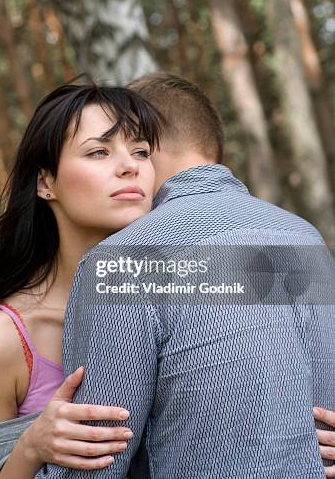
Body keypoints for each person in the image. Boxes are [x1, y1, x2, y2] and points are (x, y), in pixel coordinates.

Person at [33, 72, 335, 478]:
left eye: (133, 148)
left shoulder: (126, 260)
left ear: (145, 145)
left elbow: (96, 465)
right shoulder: (306, 238)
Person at [0, 83, 164, 477]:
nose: (130, 166)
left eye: (141, 152)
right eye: (99, 151)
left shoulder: (190, 300)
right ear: (46, 182)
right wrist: (31, 447)